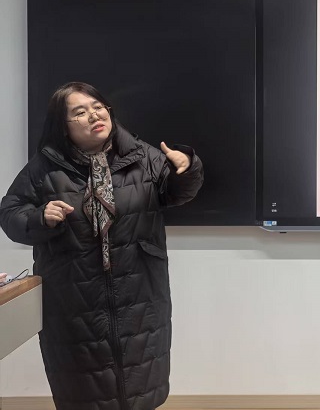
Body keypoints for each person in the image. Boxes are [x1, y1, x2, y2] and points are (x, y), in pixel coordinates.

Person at [0, 82, 204, 410]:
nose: (94, 115)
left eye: (98, 107)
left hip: (139, 294)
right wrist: (40, 217)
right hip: (73, 299)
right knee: (84, 393)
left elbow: (176, 193)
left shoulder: (142, 156)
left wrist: (187, 169)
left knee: (140, 385)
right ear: (63, 126)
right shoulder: (45, 167)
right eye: (80, 112)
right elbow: (10, 213)